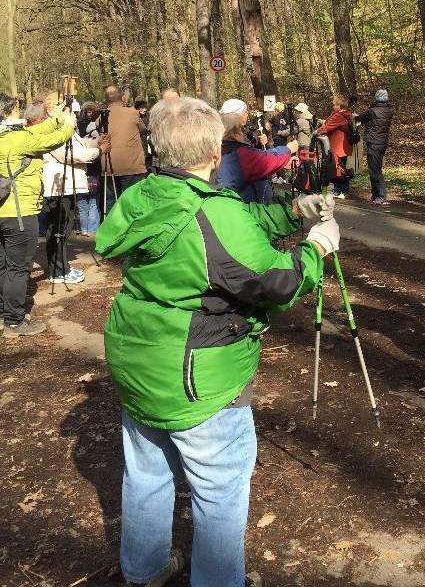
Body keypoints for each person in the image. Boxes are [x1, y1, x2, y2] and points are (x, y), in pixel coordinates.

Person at [96, 96, 339, 587]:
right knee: (220, 488)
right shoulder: (206, 212)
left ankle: (142, 572)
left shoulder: (149, 195)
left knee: (145, 472)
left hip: (139, 358)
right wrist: (316, 248)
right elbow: (274, 281)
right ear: (213, 155)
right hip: (197, 373)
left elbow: (230, 228)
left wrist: (293, 211)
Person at [0, 92, 76, 337]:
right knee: (18, 268)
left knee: (2, 265)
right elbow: (51, 140)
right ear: (10, 110)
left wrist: (56, 118)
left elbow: (36, 132)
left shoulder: (10, 136)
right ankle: (15, 321)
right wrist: (68, 124)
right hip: (19, 212)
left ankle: (4, 314)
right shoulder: (18, 139)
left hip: (3, 211)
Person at [42, 120, 101, 283]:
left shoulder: (67, 129)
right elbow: (73, 154)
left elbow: (80, 146)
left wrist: (97, 142)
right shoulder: (53, 132)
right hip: (59, 186)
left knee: (65, 227)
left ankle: (61, 268)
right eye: (70, 112)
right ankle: (58, 271)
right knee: (58, 228)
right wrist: (99, 150)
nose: (75, 117)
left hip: (68, 185)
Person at [215, 98, 298, 204]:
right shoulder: (232, 150)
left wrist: (259, 144)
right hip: (245, 208)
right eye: (245, 112)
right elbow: (260, 160)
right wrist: (288, 149)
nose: (247, 115)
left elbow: (252, 160)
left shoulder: (220, 143)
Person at [100, 86, 148, 214]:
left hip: (108, 166)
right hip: (131, 166)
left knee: (110, 202)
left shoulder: (101, 116)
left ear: (106, 101)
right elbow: (143, 129)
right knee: (132, 202)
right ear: (122, 98)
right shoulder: (132, 113)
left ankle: (111, 229)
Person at [357, 89, 393, 205]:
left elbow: (361, 119)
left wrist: (356, 117)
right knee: (376, 168)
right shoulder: (389, 110)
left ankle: (381, 196)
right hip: (382, 142)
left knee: (375, 170)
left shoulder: (372, 111)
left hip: (374, 143)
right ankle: (375, 194)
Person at [316, 94, 353, 199]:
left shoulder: (338, 116)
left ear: (339, 106)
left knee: (339, 169)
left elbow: (328, 127)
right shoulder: (345, 114)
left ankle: (341, 190)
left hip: (338, 146)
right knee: (339, 168)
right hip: (342, 146)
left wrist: (316, 132)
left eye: (334, 105)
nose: (333, 106)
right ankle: (339, 189)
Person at [76, 102, 102, 235]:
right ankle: (92, 229)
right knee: (92, 202)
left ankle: (85, 228)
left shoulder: (76, 127)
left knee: (84, 202)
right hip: (92, 166)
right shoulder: (97, 129)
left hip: (82, 168)